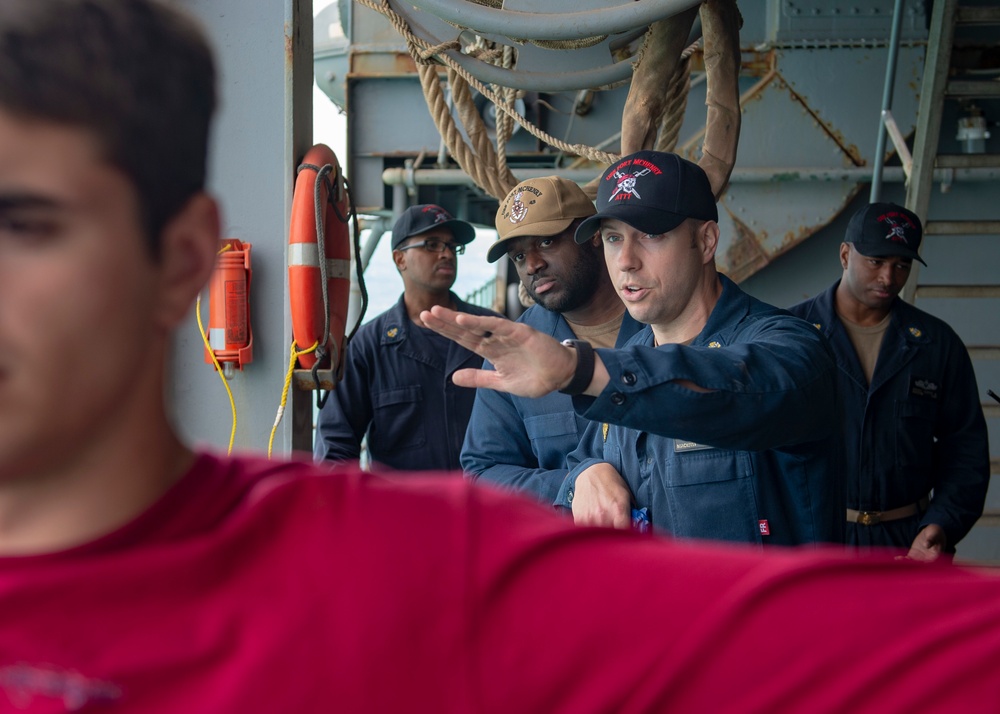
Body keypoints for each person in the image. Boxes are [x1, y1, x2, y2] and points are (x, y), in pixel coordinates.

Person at [3, 2, 1000, 712]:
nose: (612, 259)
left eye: (27, 224)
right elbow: (482, 467)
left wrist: (585, 379)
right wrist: (579, 469)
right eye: (604, 239)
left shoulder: (387, 559)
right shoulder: (502, 383)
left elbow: (761, 409)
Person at [423, 151, 845, 546]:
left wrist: (580, 371)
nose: (625, 259)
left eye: (651, 234)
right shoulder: (630, 356)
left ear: (707, 240)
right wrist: (585, 474)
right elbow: (581, 463)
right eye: (612, 238)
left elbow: (745, 386)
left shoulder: (791, 344)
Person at [788, 202, 990, 561]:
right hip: (816, 538)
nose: (888, 278)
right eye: (876, 262)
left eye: (901, 265)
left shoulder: (935, 343)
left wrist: (939, 527)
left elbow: (966, 451)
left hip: (907, 542)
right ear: (846, 255)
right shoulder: (791, 336)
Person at [461, 176, 642, 502]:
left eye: (546, 242)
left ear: (593, 236)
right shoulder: (512, 352)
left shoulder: (664, 321)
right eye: (518, 256)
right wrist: (572, 486)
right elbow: (483, 472)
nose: (532, 265)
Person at [313, 203, 500, 471]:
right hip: (405, 510)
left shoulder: (492, 330)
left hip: (488, 506)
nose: (447, 253)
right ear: (400, 259)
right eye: (432, 244)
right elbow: (336, 444)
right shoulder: (369, 346)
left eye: (452, 246)